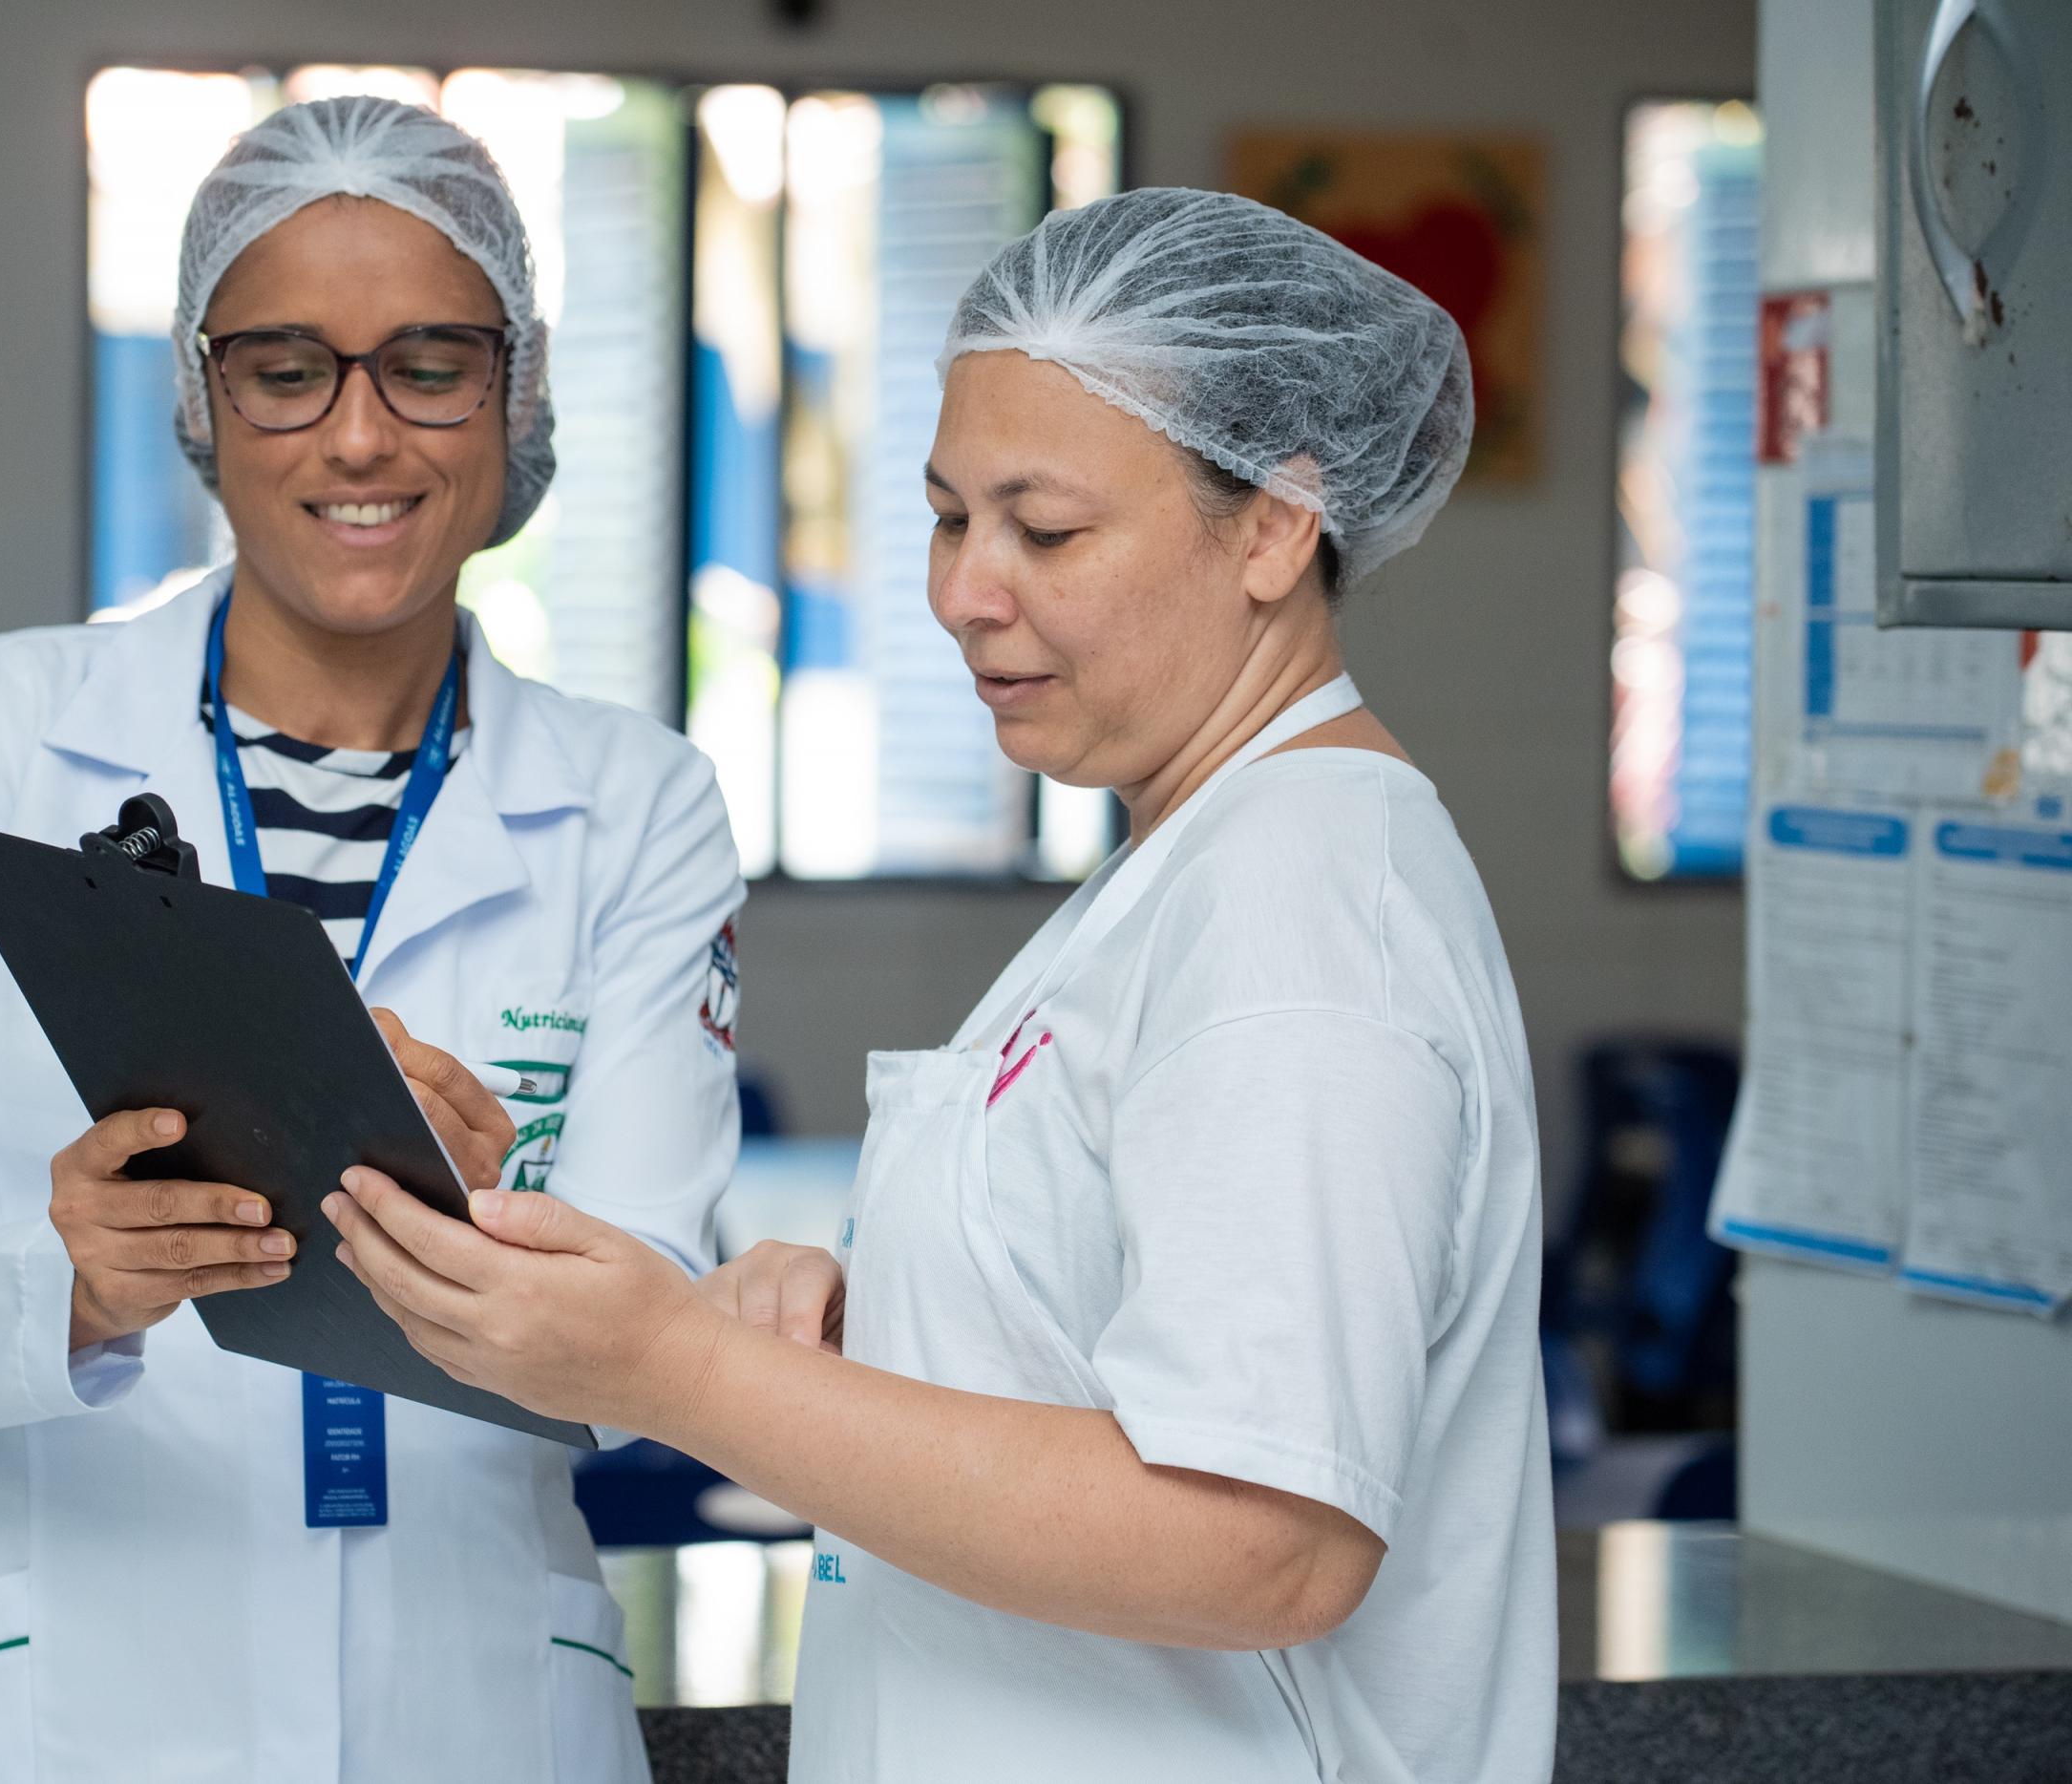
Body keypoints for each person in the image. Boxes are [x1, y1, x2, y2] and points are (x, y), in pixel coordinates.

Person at [326, 188, 1555, 1783]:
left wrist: (675, 1370)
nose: (964, 591)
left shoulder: (1298, 911)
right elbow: (1122, 1365)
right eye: (947, 517)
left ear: (1272, 527)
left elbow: (1263, 1541)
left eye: (1045, 530)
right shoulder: (1190, 867)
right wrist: (867, 1333)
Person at [0, 96, 744, 1784]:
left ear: (517, 393)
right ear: (204, 399)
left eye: (430, 365)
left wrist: (491, 1238)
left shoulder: (636, 804)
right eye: (286, 370)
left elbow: (659, 1371)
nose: (361, 438)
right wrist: (70, 1284)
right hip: (52, 1720)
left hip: (467, 1713)